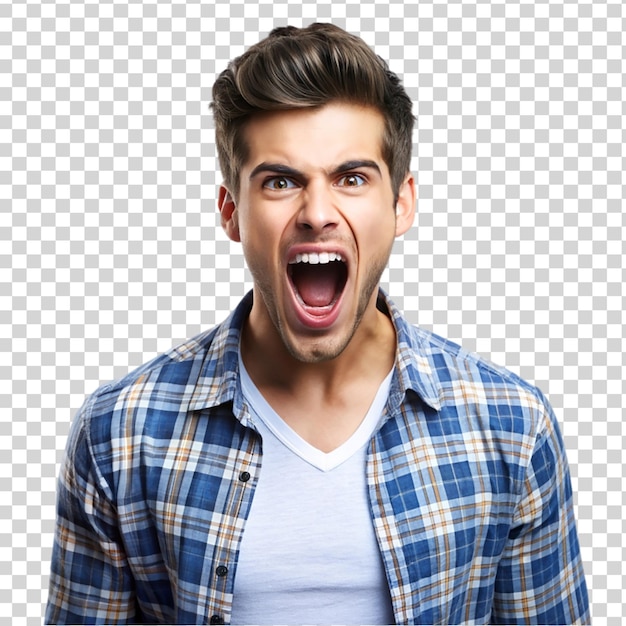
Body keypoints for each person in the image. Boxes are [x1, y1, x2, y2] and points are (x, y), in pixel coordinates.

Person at [46, 23, 590, 625]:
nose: (317, 214)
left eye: (352, 178)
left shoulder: (512, 427)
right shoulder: (120, 434)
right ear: (232, 211)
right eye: (280, 182)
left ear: (401, 203)